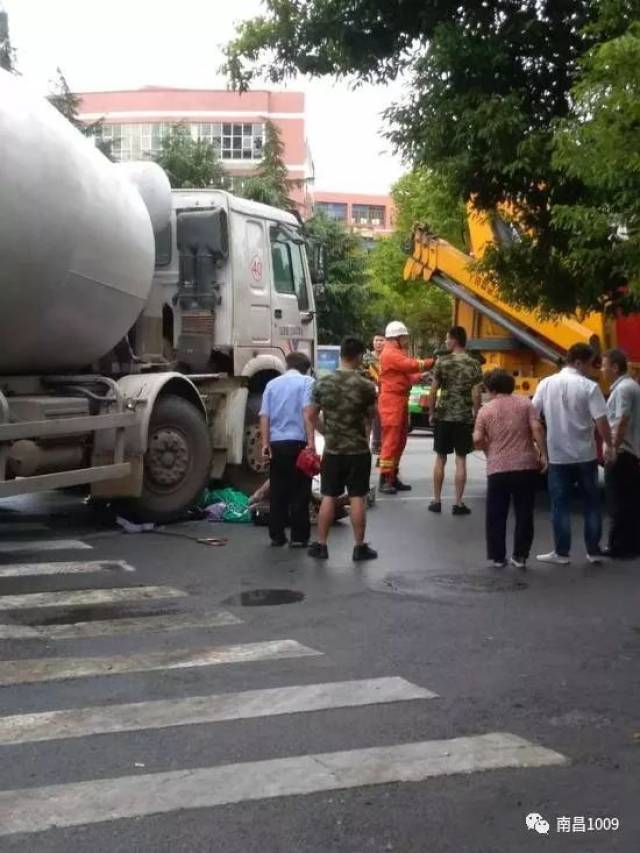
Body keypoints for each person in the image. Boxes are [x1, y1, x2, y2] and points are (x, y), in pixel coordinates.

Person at [532, 342, 613, 565]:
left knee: (560, 505)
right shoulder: (590, 387)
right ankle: (593, 551)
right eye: (589, 364)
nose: (591, 369)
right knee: (592, 504)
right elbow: (601, 422)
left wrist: (539, 447)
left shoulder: (546, 384)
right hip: (585, 455)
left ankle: (561, 552)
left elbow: (533, 415)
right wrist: (609, 445)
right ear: (578, 362)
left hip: (558, 456)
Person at [307, 337, 378, 561]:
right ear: (358, 357)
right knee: (357, 496)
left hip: (333, 450)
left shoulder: (323, 383)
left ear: (341, 355)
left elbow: (310, 415)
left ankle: (321, 545)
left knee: (328, 495)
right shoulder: (366, 386)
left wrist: (326, 432)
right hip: (358, 451)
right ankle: (359, 547)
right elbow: (372, 417)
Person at [473, 369, 548, 569]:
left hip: (497, 468)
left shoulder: (485, 410)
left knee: (496, 514)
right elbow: (537, 428)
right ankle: (520, 556)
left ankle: (498, 557)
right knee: (524, 512)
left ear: (491, 388)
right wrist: (543, 454)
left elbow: (477, 439)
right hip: (525, 466)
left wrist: (486, 445)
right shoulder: (525, 403)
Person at [259, 352, 315, 548]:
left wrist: (265, 444)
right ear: (306, 368)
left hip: (277, 444)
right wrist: (311, 442)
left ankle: (277, 535)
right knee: (300, 490)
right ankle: (299, 537)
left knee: (278, 489)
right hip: (298, 443)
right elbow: (308, 412)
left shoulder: (272, 384)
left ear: (287, 365)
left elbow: (264, 415)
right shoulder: (307, 382)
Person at [428, 326, 483, 515]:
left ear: (455, 340)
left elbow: (433, 390)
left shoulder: (442, 362)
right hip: (463, 417)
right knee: (461, 460)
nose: (446, 342)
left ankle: (436, 501)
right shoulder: (474, 364)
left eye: (447, 338)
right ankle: (458, 503)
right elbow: (476, 393)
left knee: (440, 458)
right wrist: (476, 414)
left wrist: (431, 412)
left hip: (444, 416)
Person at [378, 321, 432, 494]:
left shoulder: (397, 352)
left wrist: (421, 376)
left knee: (400, 440)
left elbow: (407, 375)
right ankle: (385, 478)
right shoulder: (390, 353)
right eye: (404, 337)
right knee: (391, 440)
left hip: (399, 399)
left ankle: (392, 476)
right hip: (391, 400)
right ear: (396, 337)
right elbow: (410, 366)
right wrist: (431, 362)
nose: (407, 340)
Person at [601, 349, 640, 558]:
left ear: (615, 367)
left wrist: (612, 447)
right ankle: (631, 544)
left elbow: (621, 419)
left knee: (618, 502)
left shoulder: (623, 389)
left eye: (604, 365)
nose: (602, 369)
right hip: (631, 452)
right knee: (631, 501)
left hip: (622, 452)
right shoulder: (631, 386)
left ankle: (618, 546)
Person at [362, 332, 385, 455]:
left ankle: (380, 446)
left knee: (382, 421)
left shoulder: (388, 357)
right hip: (369, 392)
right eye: (376, 340)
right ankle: (365, 446)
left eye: (381, 340)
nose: (379, 343)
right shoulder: (366, 357)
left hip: (385, 393)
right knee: (367, 421)